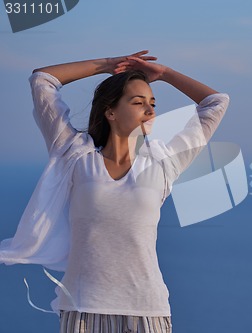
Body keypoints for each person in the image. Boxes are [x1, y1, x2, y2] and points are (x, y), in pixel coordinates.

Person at [0, 50, 229, 333]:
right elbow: (43, 80)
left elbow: (216, 102)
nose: (150, 111)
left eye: (152, 103)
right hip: (83, 310)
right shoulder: (75, 155)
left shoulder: (163, 163)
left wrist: (165, 74)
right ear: (110, 112)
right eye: (138, 102)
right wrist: (107, 66)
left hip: (147, 311)